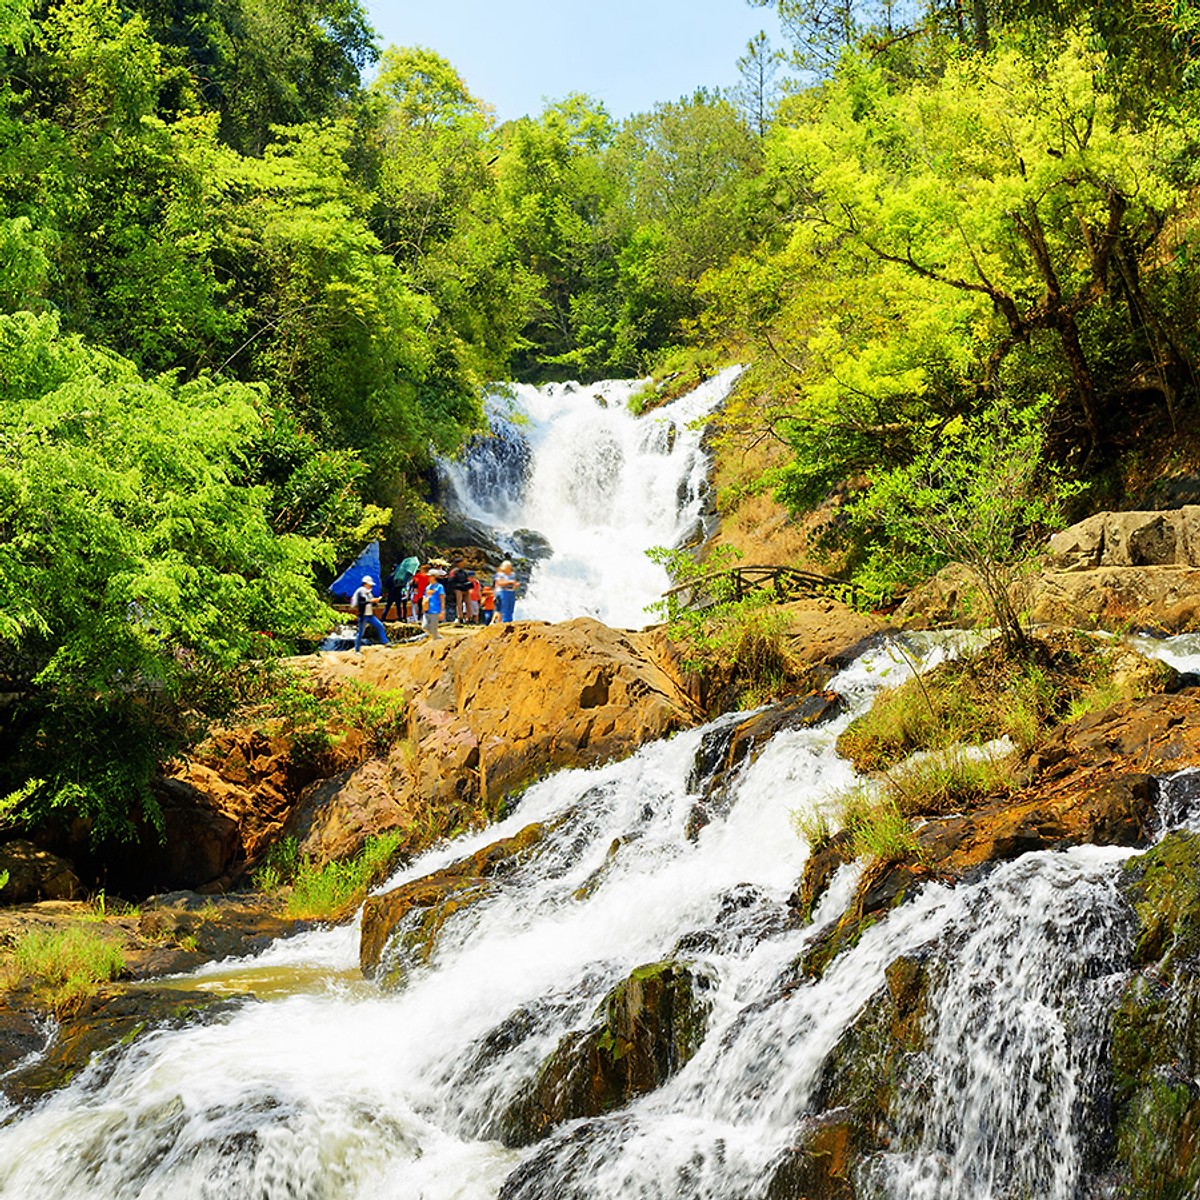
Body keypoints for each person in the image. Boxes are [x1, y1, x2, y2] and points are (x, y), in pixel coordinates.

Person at [350, 576, 389, 652]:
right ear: (366, 584)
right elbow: (361, 603)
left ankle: (385, 642)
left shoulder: (369, 592)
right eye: (370, 584)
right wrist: (371, 601)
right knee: (361, 633)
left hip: (370, 615)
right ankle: (357, 650)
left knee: (380, 626)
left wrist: (375, 602)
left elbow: (371, 603)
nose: (371, 586)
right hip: (363, 616)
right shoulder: (361, 591)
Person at [382, 555, 419, 622]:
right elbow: (403, 586)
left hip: (392, 593)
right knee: (398, 607)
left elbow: (386, 585)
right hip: (398, 593)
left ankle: (383, 618)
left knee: (388, 606)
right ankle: (399, 618)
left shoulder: (391, 576)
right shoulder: (402, 578)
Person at [446, 559, 471, 623]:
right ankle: (460, 617)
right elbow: (451, 581)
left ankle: (469, 617)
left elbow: (466, 579)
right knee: (459, 603)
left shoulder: (464, 572)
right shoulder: (454, 572)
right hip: (458, 588)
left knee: (468, 603)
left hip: (465, 588)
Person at [423, 569, 445, 640]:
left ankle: (438, 639)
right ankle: (438, 637)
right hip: (427, 610)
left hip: (436, 611)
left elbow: (442, 599)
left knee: (433, 629)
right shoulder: (427, 587)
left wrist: (442, 610)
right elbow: (425, 598)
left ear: (434, 577)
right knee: (424, 626)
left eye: (430, 576)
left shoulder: (439, 587)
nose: (428, 578)